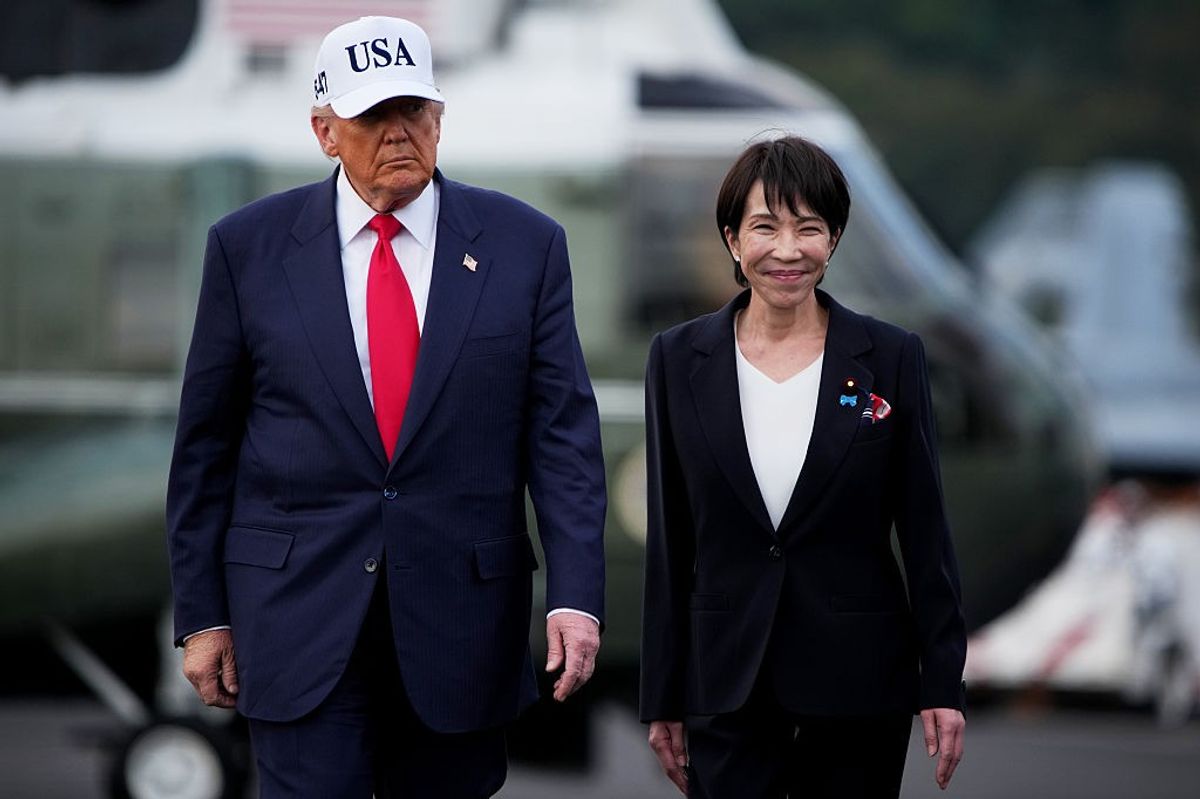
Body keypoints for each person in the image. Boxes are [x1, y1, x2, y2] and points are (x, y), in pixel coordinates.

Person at [166, 16, 606, 798]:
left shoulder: (525, 244)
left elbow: (562, 439)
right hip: (297, 621)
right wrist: (202, 615)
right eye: (374, 116)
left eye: (415, 111)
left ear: (440, 118)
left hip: (461, 628)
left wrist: (575, 598)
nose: (399, 132)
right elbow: (206, 447)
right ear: (325, 131)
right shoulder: (247, 249)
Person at [640, 136, 966, 798]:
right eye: (765, 226)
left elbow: (928, 534)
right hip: (724, 681)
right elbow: (671, 541)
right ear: (732, 239)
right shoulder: (677, 360)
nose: (787, 250)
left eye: (808, 228)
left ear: (835, 239)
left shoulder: (891, 357)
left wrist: (943, 683)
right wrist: (661, 694)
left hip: (858, 684)